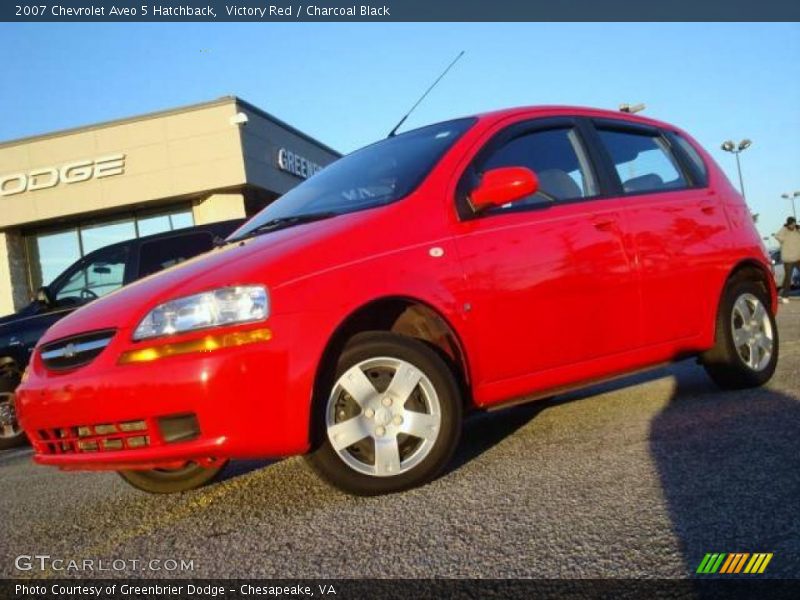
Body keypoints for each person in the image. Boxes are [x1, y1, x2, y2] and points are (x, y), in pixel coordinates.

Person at [774, 216, 800, 303]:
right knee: (788, 278)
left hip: (798, 258)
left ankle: (781, 293)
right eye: (791, 224)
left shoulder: (797, 232)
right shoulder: (784, 232)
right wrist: (784, 228)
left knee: (786, 278)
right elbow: (777, 236)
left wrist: (798, 228)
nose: (793, 225)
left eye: (794, 224)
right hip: (788, 259)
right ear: (788, 224)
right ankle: (785, 296)